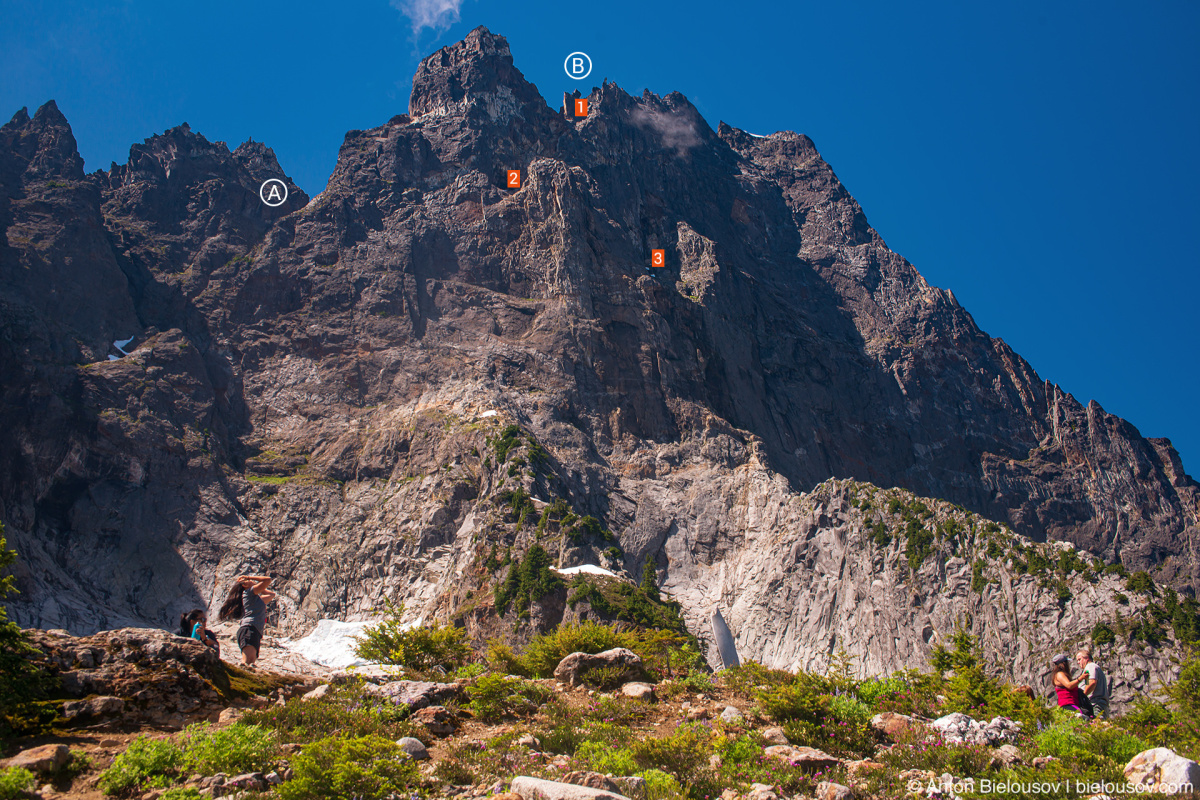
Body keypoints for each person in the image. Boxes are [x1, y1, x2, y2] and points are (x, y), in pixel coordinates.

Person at [217, 574, 275, 666]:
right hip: (249, 628)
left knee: (251, 660)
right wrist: (249, 578)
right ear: (244, 585)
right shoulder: (248, 593)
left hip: (254, 630)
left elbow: (271, 595)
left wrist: (254, 584)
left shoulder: (255, 599)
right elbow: (267, 580)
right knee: (247, 660)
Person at [1051, 653, 1093, 719]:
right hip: (1067, 704)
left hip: (1071, 703)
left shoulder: (1061, 674)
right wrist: (1081, 678)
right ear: (1064, 664)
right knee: (1084, 717)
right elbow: (1069, 685)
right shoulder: (1059, 674)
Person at [1076, 647, 1109, 718]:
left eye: (1079, 659)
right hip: (1097, 704)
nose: (1078, 662)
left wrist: (1083, 697)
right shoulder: (1088, 669)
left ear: (1086, 658)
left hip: (1095, 704)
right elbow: (1088, 683)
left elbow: (1092, 682)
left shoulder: (1090, 666)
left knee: (1096, 724)